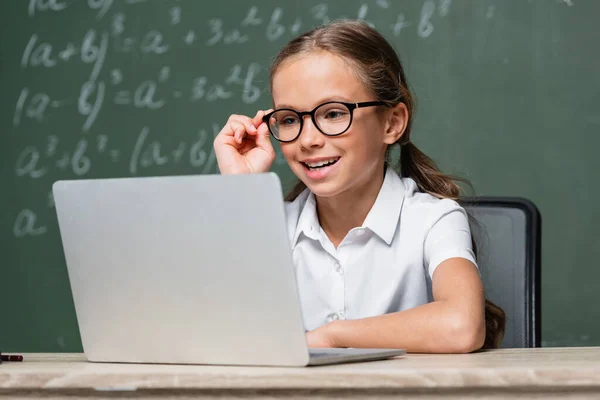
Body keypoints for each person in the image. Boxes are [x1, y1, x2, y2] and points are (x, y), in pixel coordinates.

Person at [214, 20, 505, 353]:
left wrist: (331, 336)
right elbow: (212, 332)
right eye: (290, 119)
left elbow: (461, 326)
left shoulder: (433, 220)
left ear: (392, 123)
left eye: (334, 114)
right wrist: (240, 192)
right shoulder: (269, 227)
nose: (308, 140)